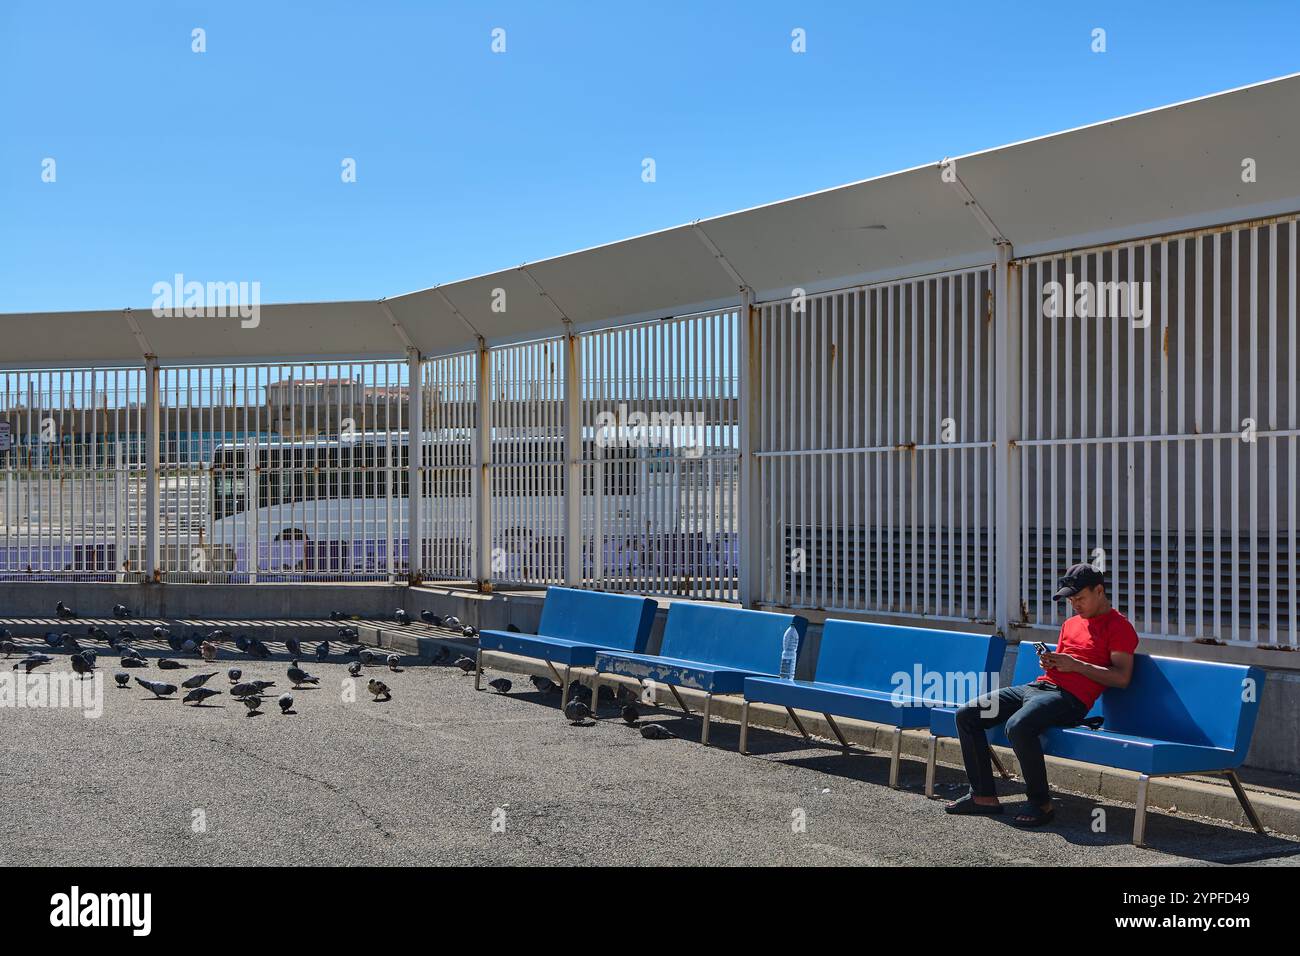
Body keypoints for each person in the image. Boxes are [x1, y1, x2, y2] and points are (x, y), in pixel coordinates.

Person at [944, 563, 1138, 826]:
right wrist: (1052, 662)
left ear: (1100, 590)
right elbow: (1066, 661)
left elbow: (1122, 677)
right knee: (968, 714)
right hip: (1039, 688)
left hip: (1070, 699)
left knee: (1018, 726)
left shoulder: (1119, 627)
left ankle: (1040, 802)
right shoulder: (1071, 624)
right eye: (1071, 600)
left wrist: (1076, 666)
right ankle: (983, 796)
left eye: (1080, 598)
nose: (1075, 605)